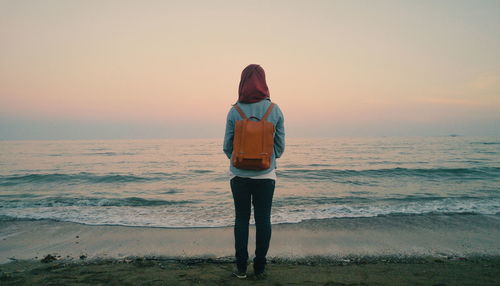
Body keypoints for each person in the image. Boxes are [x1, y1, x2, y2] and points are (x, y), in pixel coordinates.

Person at [223, 64, 285, 279]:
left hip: (238, 175)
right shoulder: (274, 110)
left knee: (241, 219)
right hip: (266, 175)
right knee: (263, 220)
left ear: (242, 82)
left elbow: (226, 147)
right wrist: (266, 160)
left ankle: (241, 269)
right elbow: (280, 147)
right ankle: (259, 268)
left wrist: (240, 160)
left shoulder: (234, 110)